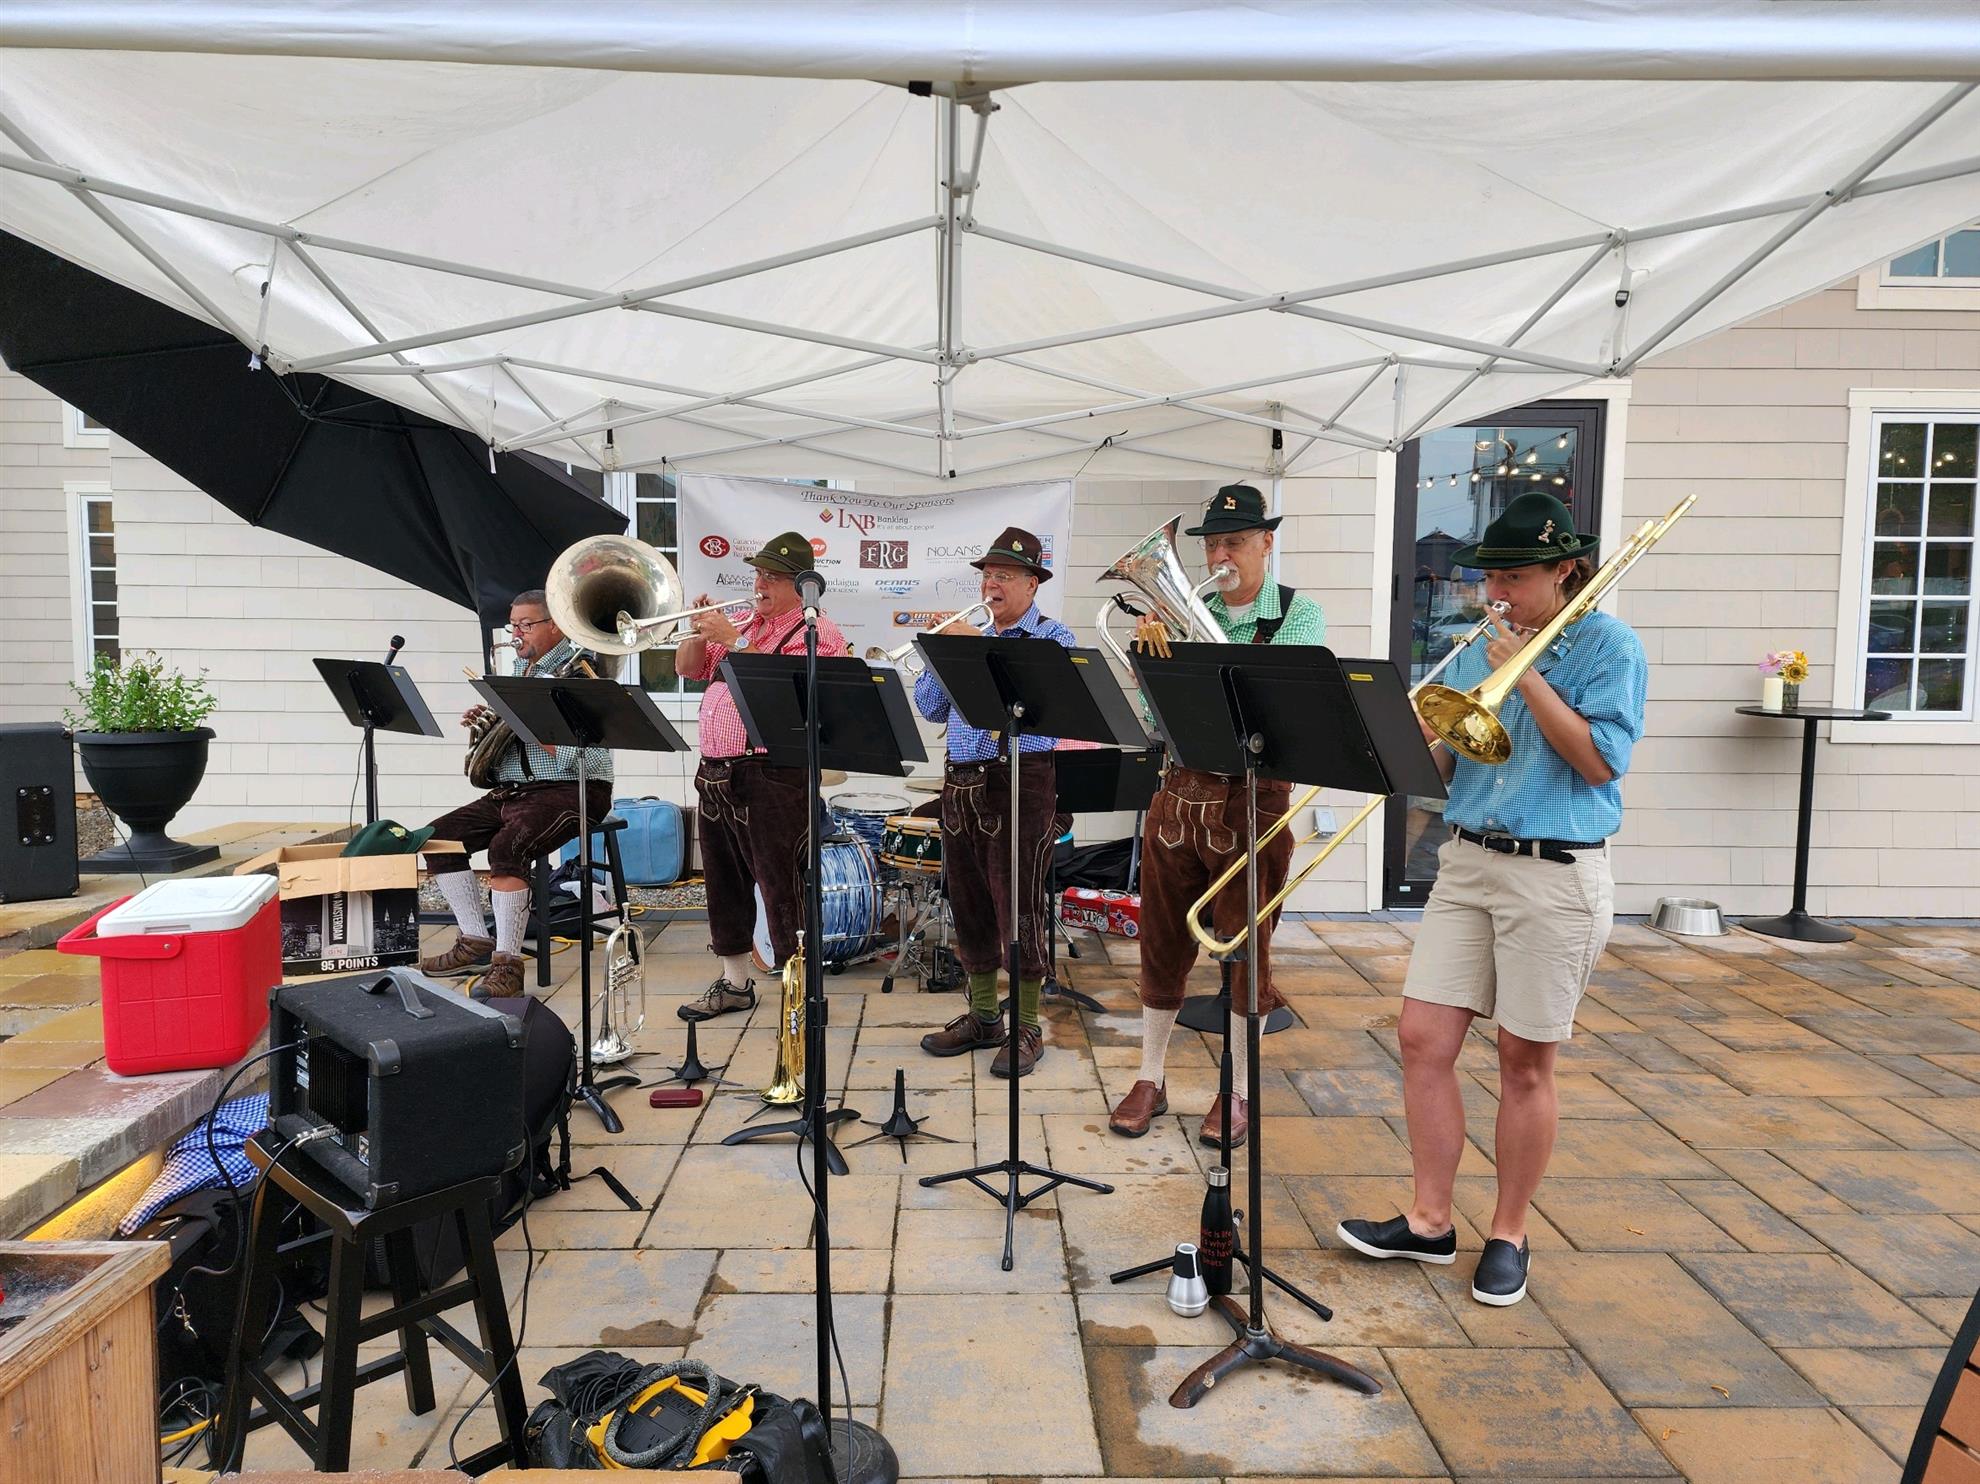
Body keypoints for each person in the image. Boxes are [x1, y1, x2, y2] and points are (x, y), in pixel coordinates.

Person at [1336, 490, 1645, 1308]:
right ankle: (1429, 1220)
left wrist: (1527, 672)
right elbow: (1453, 766)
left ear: (1564, 570)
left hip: (1554, 871)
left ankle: (1509, 1233)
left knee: (1523, 1062)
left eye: (1512, 577)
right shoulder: (1478, 646)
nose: (1495, 593)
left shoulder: (1610, 646)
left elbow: (1599, 763)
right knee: (1421, 1037)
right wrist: (1414, 743)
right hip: (1468, 861)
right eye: (1489, 578)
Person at [1107, 485, 1326, 1146]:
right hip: (1179, 789)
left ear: (1266, 542)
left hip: (1252, 798)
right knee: (1160, 942)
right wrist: (1150, 669)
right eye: (1212, 545)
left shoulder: (1298, 614)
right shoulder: (1178, 615)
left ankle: (1239, 1091)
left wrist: (1195, 652)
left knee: (1246, 950)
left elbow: (1282, 715)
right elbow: (1154, 726)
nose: (1221, 556)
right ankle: (1149, 1076)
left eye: (1235, 541)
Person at [912, 527, 1074, 1078]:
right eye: (987, 575)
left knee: (1019, 906)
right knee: (970, 901)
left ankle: (1026, 1025)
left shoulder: (1053, 637)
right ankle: (984, 1016)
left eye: (1004, 575)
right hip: (961, 782)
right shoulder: (971, 635)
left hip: (1019, 779)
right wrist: (941, 654)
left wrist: (974, 650)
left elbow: (1043, 706)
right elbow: (930, 707)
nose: (991, 584)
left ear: (1032, 584)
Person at [674, 531, 849, 1021]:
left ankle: (801, 992)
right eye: (757, 575)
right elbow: (687, 669)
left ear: (800, 585)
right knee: (723, 884)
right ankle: (735, 984)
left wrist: (733, 640)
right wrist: (696, 632)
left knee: (781, 886)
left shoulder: (816, 632)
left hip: (771, 773)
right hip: (716, 772)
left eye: (771, 577)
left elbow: (784, 693)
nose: (759, 584)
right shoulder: (749, 624)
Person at [419, 589, 612, 999]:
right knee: (437, 837)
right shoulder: (523, 675)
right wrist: (486, 728)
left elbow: (588, 761)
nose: (516, 634)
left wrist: (531, 724)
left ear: (555, 626)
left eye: (526, 625)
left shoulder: (581, 675)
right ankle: (475, 940)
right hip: (516, 791)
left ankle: (507, 966)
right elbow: (501, 757)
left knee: (507, 849)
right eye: (513, 626)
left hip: (573, 790)